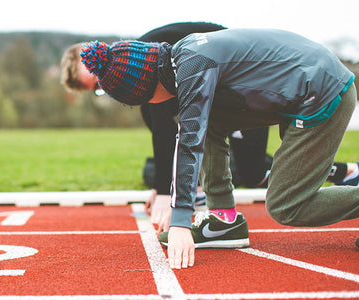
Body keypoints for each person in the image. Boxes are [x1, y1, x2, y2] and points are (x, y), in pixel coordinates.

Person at [79, 28, 358, 269]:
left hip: (322, 92)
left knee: (286, 205)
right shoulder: (183, 56)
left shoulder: (193, 68)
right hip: (303, 84)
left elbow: (190, 142)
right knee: (208, 121)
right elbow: (196, 129)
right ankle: (223, 219)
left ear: (147, 90)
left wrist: (179, 223)